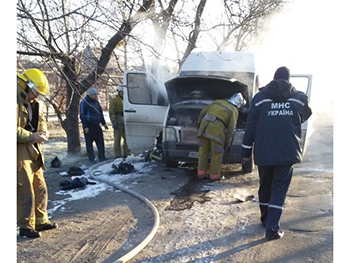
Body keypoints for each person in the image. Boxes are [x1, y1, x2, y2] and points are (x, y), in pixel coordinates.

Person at [241, 66, 312, 240]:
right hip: (286, 153)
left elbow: (250, 126)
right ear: (289, 80)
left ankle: (266, 219)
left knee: (265, 186)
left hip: (264, 152)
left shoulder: (259, 99)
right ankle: (271, 229)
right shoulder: (299, 98)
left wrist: (245, 150)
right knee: (278, 190)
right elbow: (306, 114)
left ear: (273, 79)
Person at [17, 68, 58, 238]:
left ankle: (40, 221)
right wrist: (31, 136)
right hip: (18, 150)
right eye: (36, 92)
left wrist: (42, 131)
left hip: (33, 148)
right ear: (26, 85)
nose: (37, 97)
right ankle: (26, 226)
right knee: (25, 188)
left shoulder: (32, 101)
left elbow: (41, 120)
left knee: (40, 185)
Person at [197, 93, 246, 180]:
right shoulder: (234, 110)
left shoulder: (217, 102)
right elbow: (231, 128)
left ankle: (201, 173)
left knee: (203, 150)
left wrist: (199, 125)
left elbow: (202, 113)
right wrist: (228, 141)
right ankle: (214, 176)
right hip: (217, 129)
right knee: (217, 152)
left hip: (204, 127)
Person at [80, 87, 108, 164]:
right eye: (94, 95)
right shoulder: (84, 102)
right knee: (89, 144)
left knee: (100, 142)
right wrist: (85, 126)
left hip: (97, 125)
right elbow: (82, 115)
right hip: (89, 126)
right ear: (90, 95)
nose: (96, 96)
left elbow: (100, 113)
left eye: (96, 94)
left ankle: (102, 157)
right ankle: (91, 159)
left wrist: (104, 123)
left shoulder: (96, 102)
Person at [109, 85, 130, 159]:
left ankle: (127, 153)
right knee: (117, 139)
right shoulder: (114, 100)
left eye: (123, 92)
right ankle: (117, 154)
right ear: (118, 92)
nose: (122, 93)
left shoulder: (127, 100)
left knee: (127, 139)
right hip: (118, 122)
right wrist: (113, 121)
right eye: (121, 92)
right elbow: (111, 111)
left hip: (125, 121)